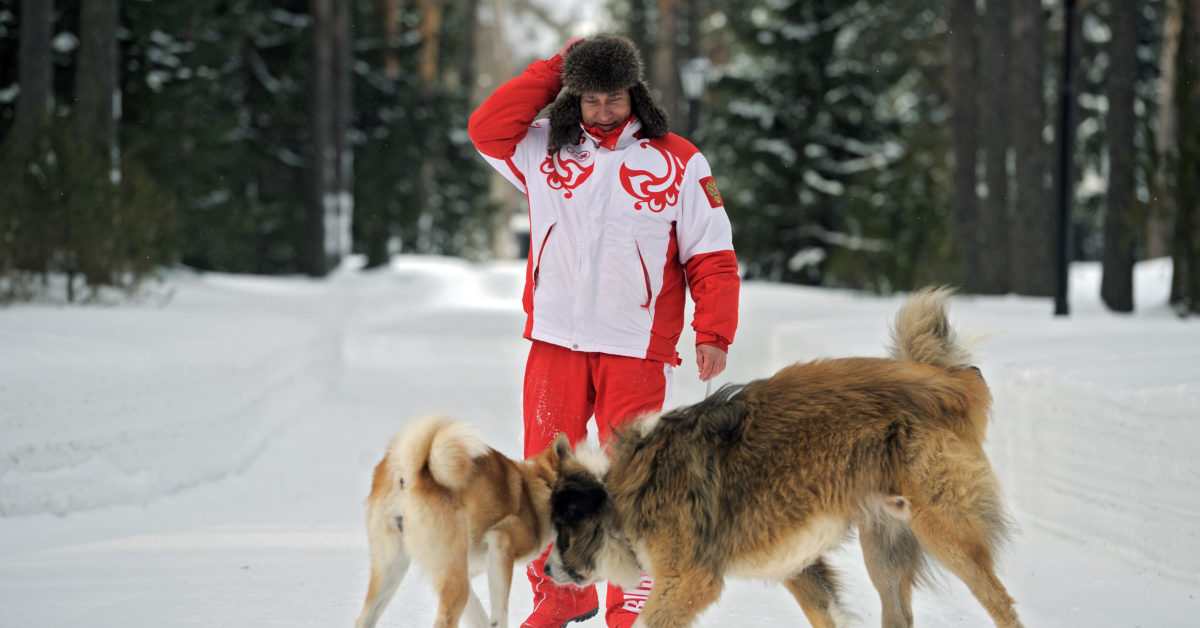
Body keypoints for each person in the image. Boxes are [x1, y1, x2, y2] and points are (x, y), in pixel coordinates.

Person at [467, 35, 740, 628]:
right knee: (548, 476)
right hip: (555, 341)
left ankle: (630, 602)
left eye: (613, 98)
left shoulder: (679, 161)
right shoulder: (544, 151)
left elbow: (712, 255)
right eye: (589, 98)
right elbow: (487, 127)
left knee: (630, 476)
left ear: (634, 94)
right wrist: (555, 68)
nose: (601, 111)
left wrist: (712, 330)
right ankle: (562, 597)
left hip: (636, 346)